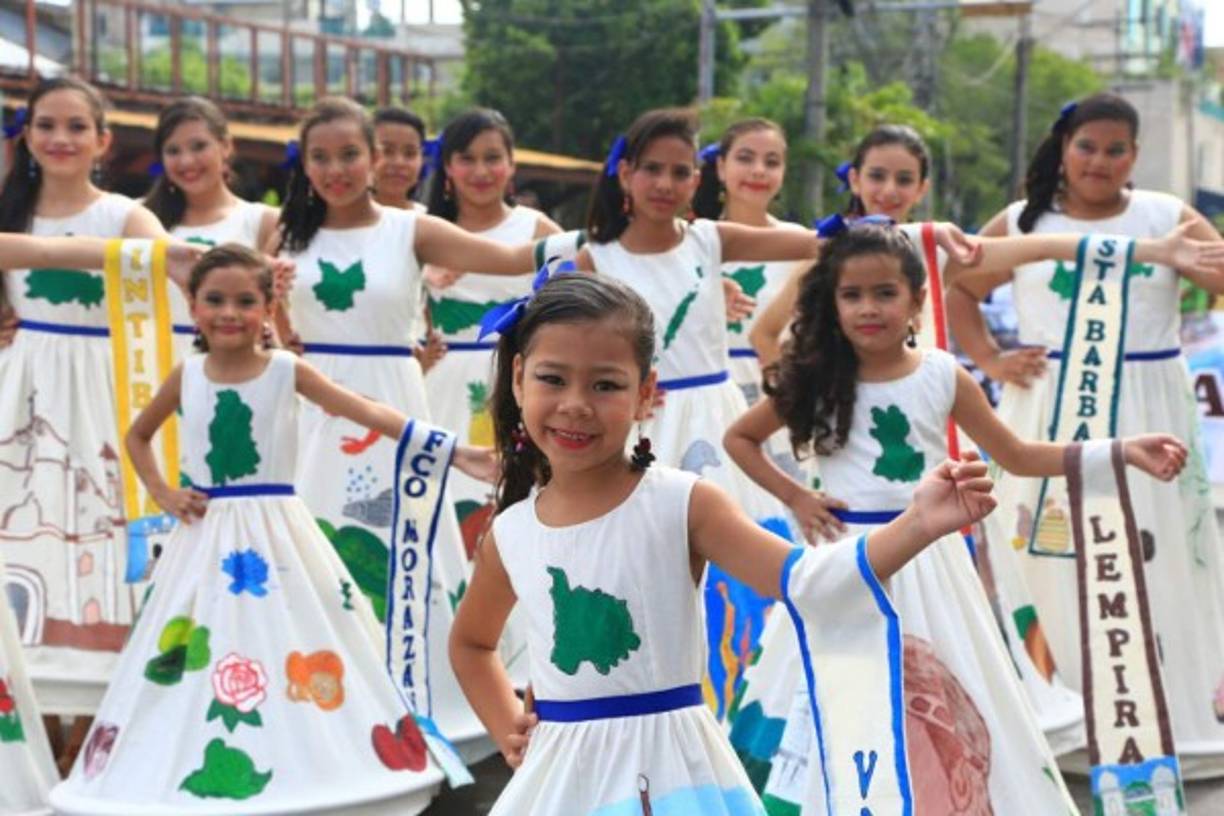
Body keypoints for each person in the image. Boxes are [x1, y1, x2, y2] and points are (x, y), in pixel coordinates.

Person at [448, 271, 999, 815]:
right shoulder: (513, 532)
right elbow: (471, 643)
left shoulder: (682, 503)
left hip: (675, 780)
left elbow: (804, 579)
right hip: (558, 784)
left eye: (605, 384)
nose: (575, 404)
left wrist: (918, 522)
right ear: (518, 378)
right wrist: (508, 730)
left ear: (645, 395)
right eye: (553, 379)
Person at [725, 222, 1203, 812]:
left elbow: (1018, 456)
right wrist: (797, 496)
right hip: (843, 561)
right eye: (852, 295)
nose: (868, 308)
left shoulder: (941, 375)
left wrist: (1119, 450)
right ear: (833, 302)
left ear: (917, 302)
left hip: (932, 564)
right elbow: (739, 439)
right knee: (824, 695)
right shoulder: (817, 376)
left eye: (884, 293)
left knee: (942, 701)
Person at [49, 243, 493, 814]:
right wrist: (162, 491)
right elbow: (137, 436)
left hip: (278, 529)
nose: (228, 312)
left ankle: (301, 760)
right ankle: (196, 760)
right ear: (193, 303)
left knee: (301, 636)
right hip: (204, 534)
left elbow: (367, 412)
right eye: (215, 299)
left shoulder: (286, 370)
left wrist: (454, 450)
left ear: (267, 308)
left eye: (244, 301)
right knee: (200, 639)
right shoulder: (187, 375)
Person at [573, 107, 979, 722]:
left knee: (741, 565)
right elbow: (573, 342)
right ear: (624, 174)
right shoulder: (592, 255)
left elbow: (826, 244)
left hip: (714, 417)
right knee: (640, 558)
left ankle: (725, 704)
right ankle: (643, 695)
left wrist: (924, 232)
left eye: (680, 170)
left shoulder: (708, 238)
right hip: (640, 422)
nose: (665, 182)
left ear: (696, 177)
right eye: (651, 168)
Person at [947, 92, 1224, 777]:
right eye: (1087, 147)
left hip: (1150, 403)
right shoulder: (1022, 221)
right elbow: (959, 287)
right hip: (1048, 409)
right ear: (1063, 149)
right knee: (1045, 559)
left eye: (1116, 149)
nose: (1100, 161)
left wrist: (1201, 274)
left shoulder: (1167, 216)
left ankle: (1178, 717)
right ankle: (1062, 709)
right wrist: (988, 359)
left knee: (1162, 553)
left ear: (1134, 155)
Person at [274, 97, 541, 758]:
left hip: (396, 402)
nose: (336, 169)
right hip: (306, 413)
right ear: (304, 166)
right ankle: (318, 700)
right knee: (313, 548)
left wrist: (612, 240)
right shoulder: (282, 236)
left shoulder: (410, 230)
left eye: (349, 154)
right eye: (321, 157)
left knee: (404, 542)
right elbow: (256, 326)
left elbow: (511, 259)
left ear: (375, 160)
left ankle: (414, 699)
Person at [0, 76, 169, 769]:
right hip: (24, 390)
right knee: (25, 542)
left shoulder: (126, 216)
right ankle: (32, 724)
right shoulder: (12, 210)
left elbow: (173, 270)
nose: (60, 139)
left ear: (102, 140)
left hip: (107, 390)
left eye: (76, 127)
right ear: (28, 136)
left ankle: (93, 730)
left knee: (97, 544)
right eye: (47, 125)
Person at [421, 109, 561, 570]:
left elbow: (591, 280)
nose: (480, 171)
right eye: (466, 158)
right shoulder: (421, 229)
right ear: (447, 167)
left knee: (515, 502)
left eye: (492, 157)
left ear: (511, 164)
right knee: (440, 511)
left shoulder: (535, 229)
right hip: (435, 385)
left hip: (514, 382)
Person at [143, 96, 279, 359]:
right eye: (173, 151)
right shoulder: (140, 218)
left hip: (232, 369)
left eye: (198, 146)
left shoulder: (263, 221)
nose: (186, 161)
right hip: (151, 367)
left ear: (225, 145)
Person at [692, 118, 809, 406]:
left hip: (779, 395)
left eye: (771, 162)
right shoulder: (691, 242)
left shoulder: (802, 244)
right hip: (707, 397)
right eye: (745, 158)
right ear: (720, 167)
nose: (758, 171)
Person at [370, 106, 445, 375]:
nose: (398, 162)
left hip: (423, 365)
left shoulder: (433, 225)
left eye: (410, 153)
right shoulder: (342, 223)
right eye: (387, 151)